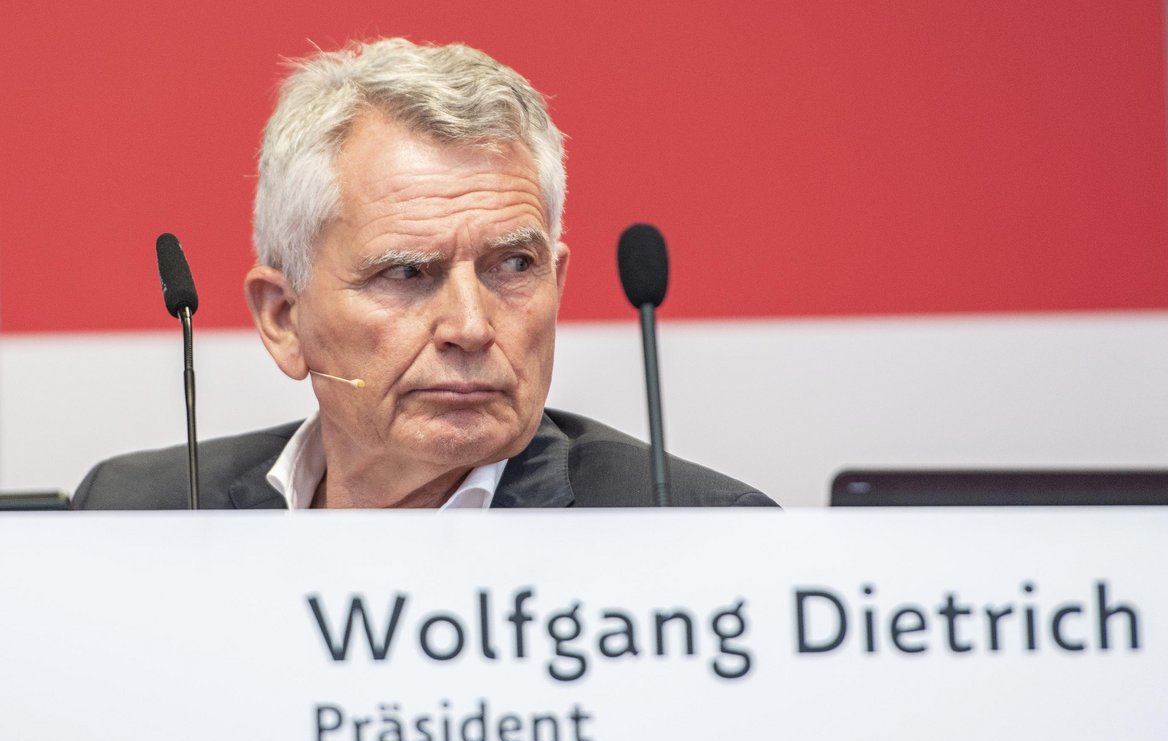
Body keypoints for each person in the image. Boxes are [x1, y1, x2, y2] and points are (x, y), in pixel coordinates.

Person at [73, 38, 774, 510]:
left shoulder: (695, 535)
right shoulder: (138, 512)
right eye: (406, 272)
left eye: (514, 265)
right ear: (283, 319)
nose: (471, 327)